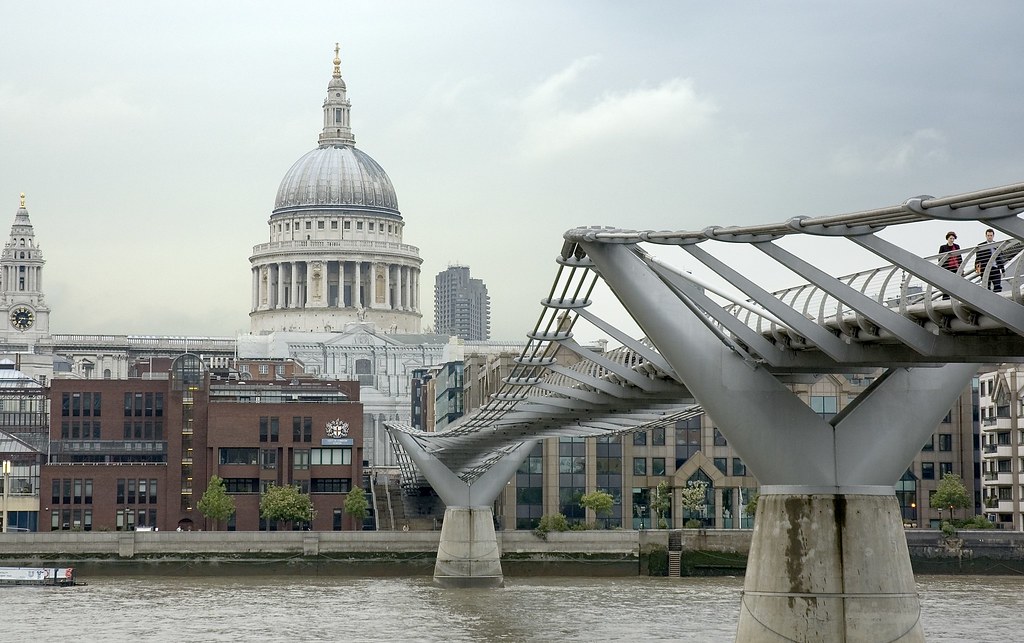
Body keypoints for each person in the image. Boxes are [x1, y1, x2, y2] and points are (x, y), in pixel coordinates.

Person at [975, 228, 1004, 292]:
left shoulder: (997, 245)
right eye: (988, 235)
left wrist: (1003, 270)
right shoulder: (981, 246)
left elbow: (1000, 258)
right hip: (985, 270)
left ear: (993, 236)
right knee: (986, 288)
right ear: (986, 236)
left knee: (998, 286)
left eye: (991, 235)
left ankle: (996, 297)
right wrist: (977, 269)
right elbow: (978, 259)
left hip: (995, 269)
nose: (989, 237)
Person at [939, 231, 961, 299]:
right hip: (947, 268)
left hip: (955, 267)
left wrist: (961, 268)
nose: (952, 240)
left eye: (953, 238)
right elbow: (940, 259)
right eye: (950, 238)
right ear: (947, 238)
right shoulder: (943, 247)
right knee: (947, 284)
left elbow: (959, 257)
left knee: (956, 284)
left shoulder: (957, 246)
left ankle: (956, 298)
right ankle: (946, 298)